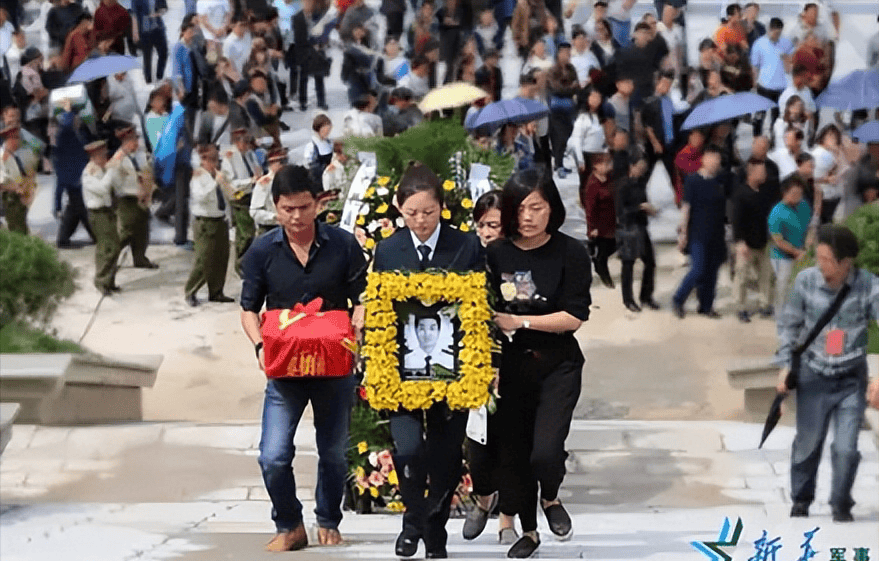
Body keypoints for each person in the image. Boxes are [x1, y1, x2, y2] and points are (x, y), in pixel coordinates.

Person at [240, 164, 367, 552]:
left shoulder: (343, 245)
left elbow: (362, 298)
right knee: (273, 455)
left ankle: (328, 518)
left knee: (333, 451)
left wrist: (356, 334)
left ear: (319, 204)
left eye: (303, 207)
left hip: (334, 368)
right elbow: (248, 308)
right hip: (285, 370)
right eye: (287, 209)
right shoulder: (262, 250)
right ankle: (290, 523)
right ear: (276, 208)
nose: (296, 217)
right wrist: (260, 346)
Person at [372, 162, 482, 560]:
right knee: (407, 451)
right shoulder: (388, 249)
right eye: (411, 213)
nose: (420, 220)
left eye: (428, 212)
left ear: (442, 209)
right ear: (399, 210)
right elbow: (380, 308)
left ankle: (435, 533)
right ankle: (412, 523)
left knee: (445, 456)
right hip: (401, 371)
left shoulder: (465, 246)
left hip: (451, 372)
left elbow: (479, 310)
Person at [487, 167, 592, 558]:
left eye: (537, 207)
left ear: (552, 209)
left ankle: (551, 497)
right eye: (521, 208)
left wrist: (522, 321)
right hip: (512, 366)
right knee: (514, 454)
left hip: (558, 363)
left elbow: (575, 316)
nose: (528, 216)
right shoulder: (496, 254)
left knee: (545, 452)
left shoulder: (571, 252)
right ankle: (529, 532)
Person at [776, 224, 879, 523]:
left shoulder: (869, 286)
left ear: (846, 262)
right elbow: (789, 325)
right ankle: (801, 500)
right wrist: (785, 365)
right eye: (818, 258)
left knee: (846, 448)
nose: (820, 265)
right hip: (813, 373)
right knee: (808, 444)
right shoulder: (806, 281)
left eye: (826, 260)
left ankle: (841, 501)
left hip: (850, 377)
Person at [672, 144, 727, 319]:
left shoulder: (720, 181)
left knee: (712, 272)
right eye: (712, 158)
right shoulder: (693, 180)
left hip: (717, 233)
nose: (715, 162)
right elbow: (686, 207)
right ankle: (678, 299)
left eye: (717, 159)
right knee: (698, 269)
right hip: (697, 233)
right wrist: (683, 234)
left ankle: (706, 305)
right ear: (703, 159)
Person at [185, 144, 233, 306]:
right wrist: (215, 184)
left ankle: (217, 291)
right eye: (211, 160)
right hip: (205, 222)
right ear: (203, 160)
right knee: (204, 259)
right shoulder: (199, 176)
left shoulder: (216, 175)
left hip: (220, 219)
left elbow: (227, 196)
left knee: (221, 258)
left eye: (216, 160)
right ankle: (191, 290)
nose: (215, 164)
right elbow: (200, 197)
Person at [108, 125, 158, 269]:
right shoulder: (118, 158)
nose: (136, 143)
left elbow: (148, 170)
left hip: (143, 198)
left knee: (142, 231)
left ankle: (140, 258)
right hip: (127, 199)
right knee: (125, 233)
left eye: (136, 139)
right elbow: (113, 180)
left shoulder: (140, 154)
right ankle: (110, 260)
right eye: (133, 140)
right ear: (125, 142)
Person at [731, 158, 773, 322]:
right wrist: (740, 242)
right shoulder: (740, 193)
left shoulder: (763, 192)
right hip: (746, 244)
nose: (764, 174)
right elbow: (736, 219)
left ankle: (765, 305)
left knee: (765, 276)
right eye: (761, 171)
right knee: (741, 276)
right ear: (751, 172)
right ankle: (740, 307)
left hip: (762, 242)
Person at [616, 151, 658, 312]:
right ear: (632, 166)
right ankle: (628, 299)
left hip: (641, 226)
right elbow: (621, 212)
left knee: (650, 262)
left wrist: (649, 210)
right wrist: (640, 207)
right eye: (639, 167)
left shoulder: (641, 184)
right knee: (628, 264)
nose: (642, 170)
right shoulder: (623, 185)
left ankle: (646, 296)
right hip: (628, 228)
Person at [768, 174, 813, 321]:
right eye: (794, 194)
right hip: (782, 256)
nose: (798, 197)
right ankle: (780, 315)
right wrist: (796, 252)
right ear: (785, 193)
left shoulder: (804, 205)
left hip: (802, 252)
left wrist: (809, 242)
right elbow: (778, 240)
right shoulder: (776, 212)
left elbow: (810, 226)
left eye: (800, 193)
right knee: (783, 286)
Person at [81, 140, 121, 296]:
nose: (106, 158)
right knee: (109, 248)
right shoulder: (89, 173)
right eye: (103, 155)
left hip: (107, 211)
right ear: (94, 156)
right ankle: (101, 281)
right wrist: (111, 171)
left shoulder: (101, 169)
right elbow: (103, 189)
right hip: (98, 214)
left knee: (111, 247)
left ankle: (109, 281)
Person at [54, 100, 95, 248]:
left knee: (76, 209)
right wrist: (67, 111)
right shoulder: (65, 135)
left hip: (79, 177)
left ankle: (63, 239)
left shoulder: (80, 133)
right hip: (72, 178)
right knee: (80, 209)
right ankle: (96, 235)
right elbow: (66, 126)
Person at [221, 127, 260, 272]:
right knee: (246, 233)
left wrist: (258, 173)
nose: (248, 146)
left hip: (251, 194)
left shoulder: (249, 154)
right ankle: (241, 263)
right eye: (245, 142)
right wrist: (250, 181)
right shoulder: (229, 157)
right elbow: (231, 182)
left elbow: (257, 168)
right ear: (238, 143)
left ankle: (244, 261)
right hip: (239, 197)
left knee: (245, 232)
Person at [750, 18, 793, 137]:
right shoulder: (759, 43)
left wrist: (786, 59)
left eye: (779, 33)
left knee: (777, 120)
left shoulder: (786, 43)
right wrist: (754, 83)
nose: (776, 36)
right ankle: (756, 139)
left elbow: (789, 68)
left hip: (780, 88)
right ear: (769, 29)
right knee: (759, 116)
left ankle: (774, 142)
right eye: (774, 33)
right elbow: (754, 66)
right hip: (763, 87)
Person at [580, 152, 616, 288]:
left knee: (613, 246)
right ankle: (603, 273)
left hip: (611, 221)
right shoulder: (592, 185)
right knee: (603, 252)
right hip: (599, 225)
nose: (609, 166)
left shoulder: (610, 179)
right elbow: (589, 209)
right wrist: (592, 227)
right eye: (606, 164)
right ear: (596, 166)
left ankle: (597, 260)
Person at [641, 70, 677, 190]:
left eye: (669, 85)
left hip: (669, 143)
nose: (667, 87)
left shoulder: (669, 101)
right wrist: (655, 142)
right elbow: (647, 125)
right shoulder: (649, 102)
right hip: (656, 144)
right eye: (664, 83)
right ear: (658, 83)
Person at [546, 42, 578, 177]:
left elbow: (577, 85)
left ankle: (561, 164)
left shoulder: (571, 69)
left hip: (569, 109)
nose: (567, 55)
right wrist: (569, 88)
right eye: (564, 52)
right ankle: (558, 165)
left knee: (566, 136)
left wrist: (569, 88)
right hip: (556, 109)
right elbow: (555, 88)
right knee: (558, 137)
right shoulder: (553, 70)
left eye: (568, 53)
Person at [0, 125, 35, 235]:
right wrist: (18, 188)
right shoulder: (2, 156)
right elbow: (1, 183)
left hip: (19, 198)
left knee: (22, 230)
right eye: (17, 138)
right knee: (17, 233)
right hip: (10, 199)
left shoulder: (14, 154)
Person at [250, 147, 287, 235]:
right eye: (281, 162)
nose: (284, 165)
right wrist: (274, 217)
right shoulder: (264, 183)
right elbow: (254, 212)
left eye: (285, 161)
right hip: (271, 228)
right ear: (271, 164)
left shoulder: (289, 179)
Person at [132, 0, 169, 84]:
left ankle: (159, 76)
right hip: (145, 28)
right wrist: (135, 32)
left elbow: (164, 7)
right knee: (147, 56)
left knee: (164, 52)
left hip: (158, 27)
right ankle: (148, 80)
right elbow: (134, 15)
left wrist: (160, 12)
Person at [304, 114, 333, 188]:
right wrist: (325, 167)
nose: (327, 132)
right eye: (325, 130)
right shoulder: (311, 146)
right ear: (319, 129)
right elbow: (309, 166)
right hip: (317, 182)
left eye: (329, 130)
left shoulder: (329, 143)